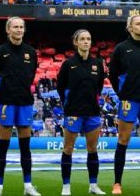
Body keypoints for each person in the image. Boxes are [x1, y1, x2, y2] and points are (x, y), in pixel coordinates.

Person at [0, 17, 41, 196]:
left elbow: (31, 75)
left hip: (25, 103)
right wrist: (2, 96)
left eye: (21, 27)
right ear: (8, 30)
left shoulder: (31, 53)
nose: (19, 30)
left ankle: (28, 185)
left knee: (25, 146)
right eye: (15, 27)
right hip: (6, 103)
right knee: (2, 146)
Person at [108, 15, 140, 194]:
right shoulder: (121, 49)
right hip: (128, 100)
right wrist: (122, 93)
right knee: (123, 139)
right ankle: (117, 183)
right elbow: (112, 75)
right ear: (129, 27)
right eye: (138, 24)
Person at [57, 29, 107, 196]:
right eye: (83, 39)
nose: (86, 42)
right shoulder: (68, 64)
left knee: (92, 148)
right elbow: (60, 87)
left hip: (92, 112)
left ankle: (93, 185)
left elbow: (99, 87)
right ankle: (66, 186)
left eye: (89, 39)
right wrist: (69, 104)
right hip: (73, 112)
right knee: (68, 148)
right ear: (76, 42)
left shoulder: (98, 64)